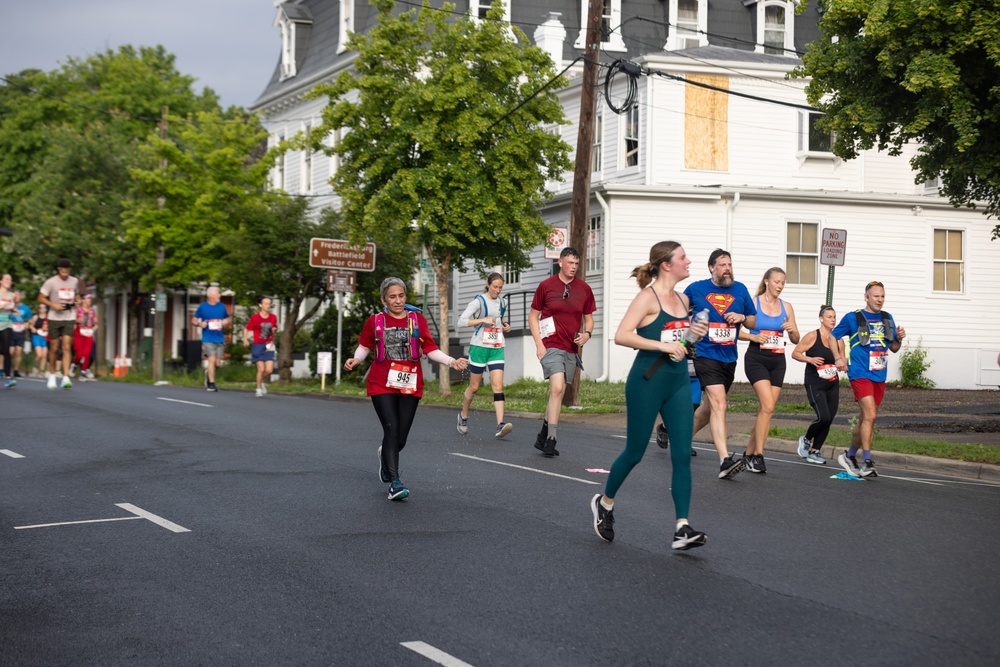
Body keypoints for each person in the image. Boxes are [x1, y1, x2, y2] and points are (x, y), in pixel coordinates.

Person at [591, 241, 709, 550]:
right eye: (683, 257)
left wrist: (696, 332)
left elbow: (680, 340)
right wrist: (664, 346)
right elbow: (622, 335)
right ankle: (605, 503)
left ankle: (682, 527)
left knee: (682, 454)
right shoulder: (647, 298)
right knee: (635, 452)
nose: (689, 261)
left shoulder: (684, 299)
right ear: (667, 265)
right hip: (647, 380)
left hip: (679, 382)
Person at [344, 277, 469, 501]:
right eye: (392, 297)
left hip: (410, 384)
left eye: (401, 295)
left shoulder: (417, 319)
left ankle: (386, 454)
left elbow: (429, 349)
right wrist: (356, 359)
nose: (398, 300)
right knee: (391, 429)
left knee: (400, 438)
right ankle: (395, 483)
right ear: (384, 299)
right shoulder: (375, 321)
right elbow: (364, 345)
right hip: (381, 382)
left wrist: (452, 362)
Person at [685, 249, 756, 479]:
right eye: (723, 265)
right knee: (720, 403)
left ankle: (680, 439)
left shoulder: (741, 289)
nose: (727, 268)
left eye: (730, 264)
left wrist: (742, 318)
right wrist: (689, 329)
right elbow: (679, 312)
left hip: (729, 357)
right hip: (705, 354)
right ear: (711, 268)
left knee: (709, 408)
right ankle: (724, 460)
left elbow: (753, 321)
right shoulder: (697, 289)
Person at [831, 281, 906, 478]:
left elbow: (894, 348)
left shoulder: (886, 317)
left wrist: (899, 338)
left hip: (879, 375)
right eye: (876, 296)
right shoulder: (853, 317)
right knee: (871, 415)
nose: (879, 300)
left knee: (866, 419)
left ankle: (849, 456)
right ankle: (867, 461)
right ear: (866, 297)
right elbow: (833, 336)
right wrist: (839, 358)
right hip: (860, 373)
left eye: (882, 296)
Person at [528, 247, 596, 457]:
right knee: (557, 388)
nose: (573, 267)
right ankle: (551, 440)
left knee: (558, 392)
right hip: (550, 344)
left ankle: (542, 434)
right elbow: (533, 316)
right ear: (560, 262)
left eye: (576, 264)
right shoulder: (546, 286)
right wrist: (539, 343)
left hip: (570, 347)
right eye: (570, 263)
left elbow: (589, 319)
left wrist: (587, 334)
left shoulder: (584, 289)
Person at [737, 267, 800, 473]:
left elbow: (796, 339)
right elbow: (737, 332)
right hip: (757, 358)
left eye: (783, 282)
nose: (780, 286)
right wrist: (753, 336)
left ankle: (747, 454)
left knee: (767, 410)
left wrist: (791, 331)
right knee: (767, 406)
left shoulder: (787, 307)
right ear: (766, 282)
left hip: (778, 360)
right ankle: (758, 456)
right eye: (777, 282)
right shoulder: (753, 303)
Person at [456, 273, 513, 439]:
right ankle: (463, 417)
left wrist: (505, 324)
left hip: (497, 347)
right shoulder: (478, 301)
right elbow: (461, 321)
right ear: (488, 285)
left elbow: (499, 317)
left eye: (500, 287)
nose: (497, 290)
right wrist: (482, 320)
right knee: (474, 387)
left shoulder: (503, 302)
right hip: (480, 347)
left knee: (498, 386)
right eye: (495, 286)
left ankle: (500, 424)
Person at [791, 305, 845, 465]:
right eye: (829, 317)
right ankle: (806, 439)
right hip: (815, 382)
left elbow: (842, 358)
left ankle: (815, 451)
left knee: (830, 418)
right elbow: (795, 353)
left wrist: (843, 364)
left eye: (834, 317)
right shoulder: (812, 336)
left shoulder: (839, 339)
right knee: (824, 417)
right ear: (821, 318)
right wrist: (810, 359)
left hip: (832, 383)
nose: (833, 320)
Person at [38, 259, 79, 390]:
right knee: (54, 347)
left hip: (69, 316)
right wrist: (53, 305)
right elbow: (40, 297)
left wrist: (77, 300)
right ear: (58, 270)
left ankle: (66, 377)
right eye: (62, 271)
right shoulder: (51, 282)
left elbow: (76, 295)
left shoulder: (74, 281)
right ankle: (51, 375)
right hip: (54, 317)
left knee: (67, 346)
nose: (65, 273)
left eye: (67, 271)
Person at [655, 362, 701, 456]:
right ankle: (664, 427)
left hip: (697, 375)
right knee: (677, 410)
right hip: (677, 373)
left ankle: (684, 444)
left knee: (691, 411)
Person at [192, 286, 230, 392]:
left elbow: (227, 318)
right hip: (207, 338)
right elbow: (194, 320)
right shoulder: (203, 307)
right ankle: (211, 384)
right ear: (212, 295)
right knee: (211, 359)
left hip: (220, 339)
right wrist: (200, 324)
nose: (220, 296)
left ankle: (208, 374)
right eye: (218, 294)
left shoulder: (222, 306)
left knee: (217, 363)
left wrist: (225, 321)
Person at [243, 296, 277, 398]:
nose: (267, 305)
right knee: (261, 369)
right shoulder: (255, 317)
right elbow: (247, 328)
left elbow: (275, 327)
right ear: (260, 305)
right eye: (265, 303)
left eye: (269, 304)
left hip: (269, 344)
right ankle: (258, 389)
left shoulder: (273, 317)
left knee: (269, 370)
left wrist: (274, 329)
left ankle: (262, 381)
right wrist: (245, 339)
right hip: (258, 345)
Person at [72, 293, 99, 381]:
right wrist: (77, 320)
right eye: (87, 299)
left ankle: (83, 373)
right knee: (79, 355)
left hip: (88, 334)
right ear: (83, 300)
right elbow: (71, 321)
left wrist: (92, 330)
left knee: (87, 354)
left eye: (90, 299)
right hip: (79, 333)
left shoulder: (92, 311)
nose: (89, 301)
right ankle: (74, 364)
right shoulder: (77, 310)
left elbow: (96, 324)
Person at [10, 291, 32, 380]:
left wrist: (27, 324)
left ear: (21, 296)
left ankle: (16, 370)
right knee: (10, 352)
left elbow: (30, 319)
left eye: (18, 295)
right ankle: (4, 368)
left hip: (20, 331)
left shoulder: (25, 308)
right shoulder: (9, 306)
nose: (16, 297)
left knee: (18, 351)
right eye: (14, 295)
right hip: (10, 331)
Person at [0, 274, 14, 387]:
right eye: (7, 279)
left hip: (7, 324)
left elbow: (11, 306)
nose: (9, 281)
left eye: (10, 279)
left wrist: (14, 309)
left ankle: (8, 377)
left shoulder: (11, 295)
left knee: (6, 350)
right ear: (1, 281)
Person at [30, 304, 49, 377]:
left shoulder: (48, 318)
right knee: (39, 354)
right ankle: (36, 366)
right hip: (36, 336)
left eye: (44, 307)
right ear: (39, 310)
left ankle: (41, 371)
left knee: (44, 355)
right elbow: (30, 325)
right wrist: (32, 328)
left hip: (44, 337)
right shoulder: (35, 317)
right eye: (41, 308)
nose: (43, 309)